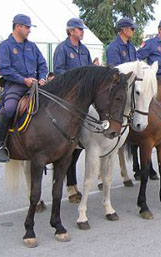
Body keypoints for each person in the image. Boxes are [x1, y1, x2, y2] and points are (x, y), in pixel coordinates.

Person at [0, 14, 48, 163]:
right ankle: (0, 145)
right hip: (15, 85)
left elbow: (42, 65)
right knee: (10, 109)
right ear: (18, 26)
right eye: (27, 27)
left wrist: (42, 78)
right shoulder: (5, 46)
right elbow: (5, 69)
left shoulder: (32, 46)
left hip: (35, 85)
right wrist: (23, 80)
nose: (29, 30)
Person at [53, 17, 93, 201]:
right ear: (70, 31)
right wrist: (76, 80)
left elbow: (90, 70)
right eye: (79, 29)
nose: (82, 31)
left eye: (82, 29)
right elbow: (58, 70)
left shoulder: (84, 50)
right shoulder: (62, 48)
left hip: (83, 95)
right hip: (68, 93)